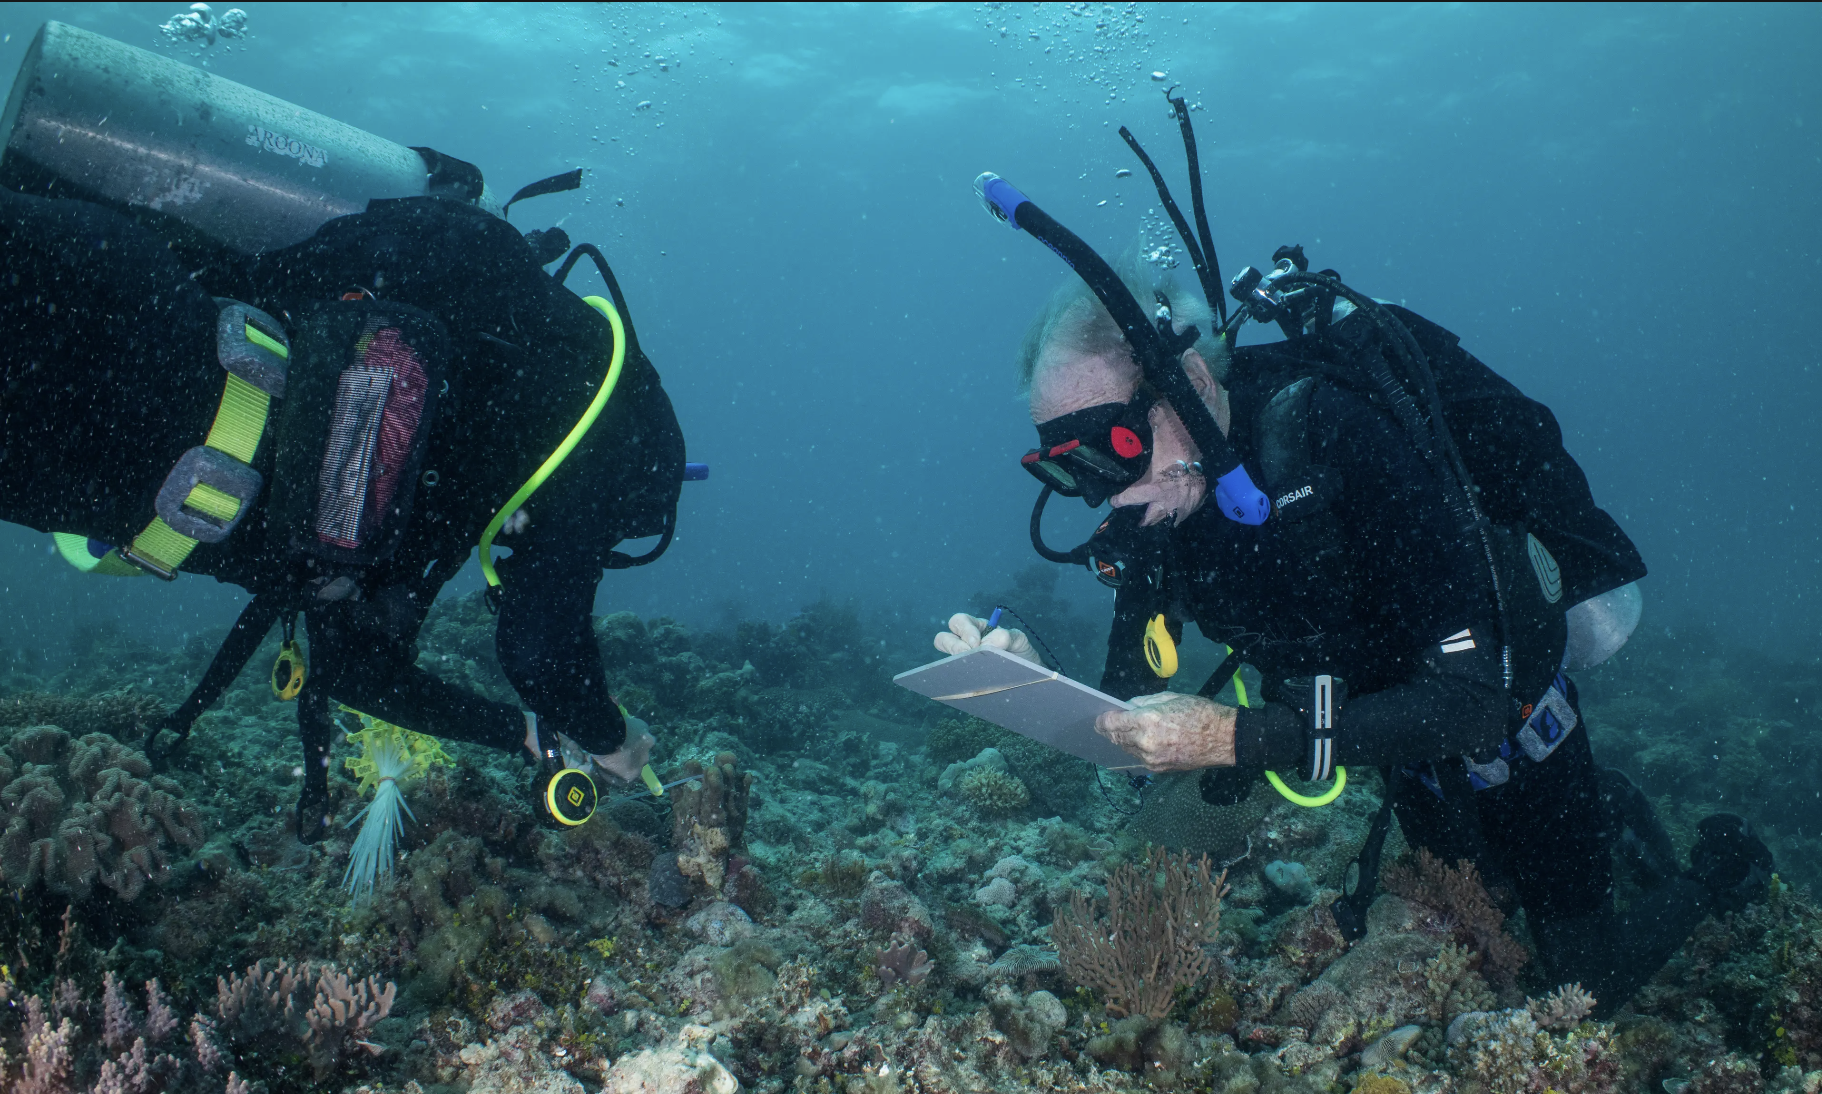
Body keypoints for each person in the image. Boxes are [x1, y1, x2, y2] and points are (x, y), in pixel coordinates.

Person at [942, 112, 1774, 1010]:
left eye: (1106, 447)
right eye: (1065, 470)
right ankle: (1608, 814)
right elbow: (1128, 705)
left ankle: (1722, 871)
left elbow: (1474, 703)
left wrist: (1234, 737)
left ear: (1193, 384)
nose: (1103, 493)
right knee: (1477, 900)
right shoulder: (1158, 510)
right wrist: (1032, 683)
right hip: (1399, 755)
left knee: (1582, 980)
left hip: (1513, 728)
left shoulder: (1331, 438)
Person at [0, 184, 680, 838]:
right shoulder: (611, 442)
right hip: (107, 462)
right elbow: (537, 652)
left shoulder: (487, 287)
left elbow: (355, 664)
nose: (521, 544)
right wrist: (607, 736)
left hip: (121, 274)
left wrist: (525, 733)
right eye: (605, 534)